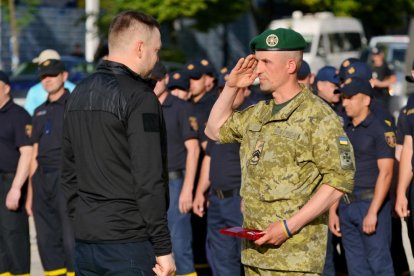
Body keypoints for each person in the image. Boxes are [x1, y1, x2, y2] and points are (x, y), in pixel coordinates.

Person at [205, 28, 355, 275]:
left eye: (265, 62)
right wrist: (231, 87)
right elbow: (213, 130)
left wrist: (288, 227)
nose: (258, 70)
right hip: (255, 254)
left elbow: (340, 180)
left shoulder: (318, 116)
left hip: (295, 257)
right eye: (257, 61)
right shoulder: (259, 112)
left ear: (290, 66)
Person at [61, 11, 175, 276]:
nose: (156, 58)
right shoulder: (140, 98)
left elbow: (67, 171)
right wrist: (163, 247)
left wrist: (81, 220)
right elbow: (149, 178)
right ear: (140, 47)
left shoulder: (78, 92)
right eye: (156, 50)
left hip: (87, 239)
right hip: (128, 244)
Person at [330, 77, 395, 275]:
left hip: (370, 204)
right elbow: (341, 171)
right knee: (356, 267)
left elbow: (386, 172)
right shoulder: (344, 130)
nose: (345, 102)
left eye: (350, 98)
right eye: (344, 98)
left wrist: (373, 212)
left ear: (366, 100)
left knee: (379, 265)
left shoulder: (379, 128)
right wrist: (334, 210)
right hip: (347, 205)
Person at [193, 67, 253, 276]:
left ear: (247, 90)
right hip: (217, 200)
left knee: (246, 257)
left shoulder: (250, 118)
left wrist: (248, 195)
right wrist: (201, 192)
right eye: (224, 89)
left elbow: (255, 164)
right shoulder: (218, 121)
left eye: (236, 88)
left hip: (238, 200)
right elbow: (209, 158)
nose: (227, 94)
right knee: (220, 258)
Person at [26, 58, 75, 276]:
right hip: (41, 177)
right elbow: (33, 153)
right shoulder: (38, 112)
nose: (47, 80)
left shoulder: (75, 105)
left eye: (52, 75)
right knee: (46, 238)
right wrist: (30, 191)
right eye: (43, 77)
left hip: (67, 176)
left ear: (64, 76)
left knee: (70, 237)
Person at [152, 62, 199, 276]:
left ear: (166, 79)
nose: (154, 83)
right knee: (154, 248)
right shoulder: (143, 105)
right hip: (151, 184)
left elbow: (194, 149)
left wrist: (187, 188)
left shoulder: (181, 107)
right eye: (150, 79)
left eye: (158, 79)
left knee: (180, 245)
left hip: (175, 182)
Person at [0, 70, 32, 276]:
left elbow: (27, 153)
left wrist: (15, 188)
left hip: (10, 181)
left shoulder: (18, 116)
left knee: (14, 239)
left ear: (6, 88)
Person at [24, 49, 76, 116]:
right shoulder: (75, 88)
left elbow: (29, 115)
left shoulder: (34, 91)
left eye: (52, 74)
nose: (47, 79)